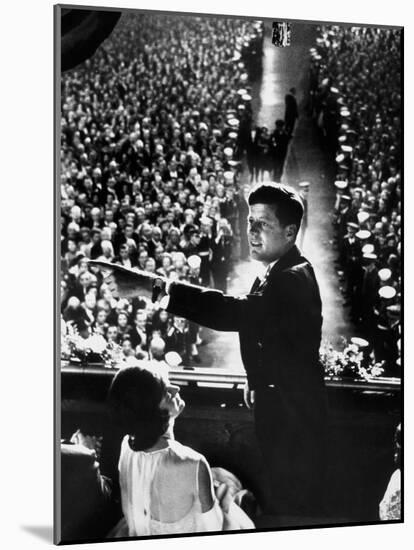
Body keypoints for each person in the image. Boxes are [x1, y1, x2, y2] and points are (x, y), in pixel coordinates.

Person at [90, 182, 327, 522]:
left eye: (264, 224)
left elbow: (232, 313)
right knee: (281, 488)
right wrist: (257, 380)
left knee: (292, 503)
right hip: (280, 405)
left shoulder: (292, 279)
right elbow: (261, 328)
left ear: (291, 232)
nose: (252, 232)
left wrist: (151, 286)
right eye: (250, 222)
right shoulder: (275, 272)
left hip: (294, 418)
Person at [106, 366, 254, 536]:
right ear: (153, 410)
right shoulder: (193, 462)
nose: (176, 388)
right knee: (228, 487)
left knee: (219, 479)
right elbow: (212, 527)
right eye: (165, 390)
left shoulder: (127, 445)